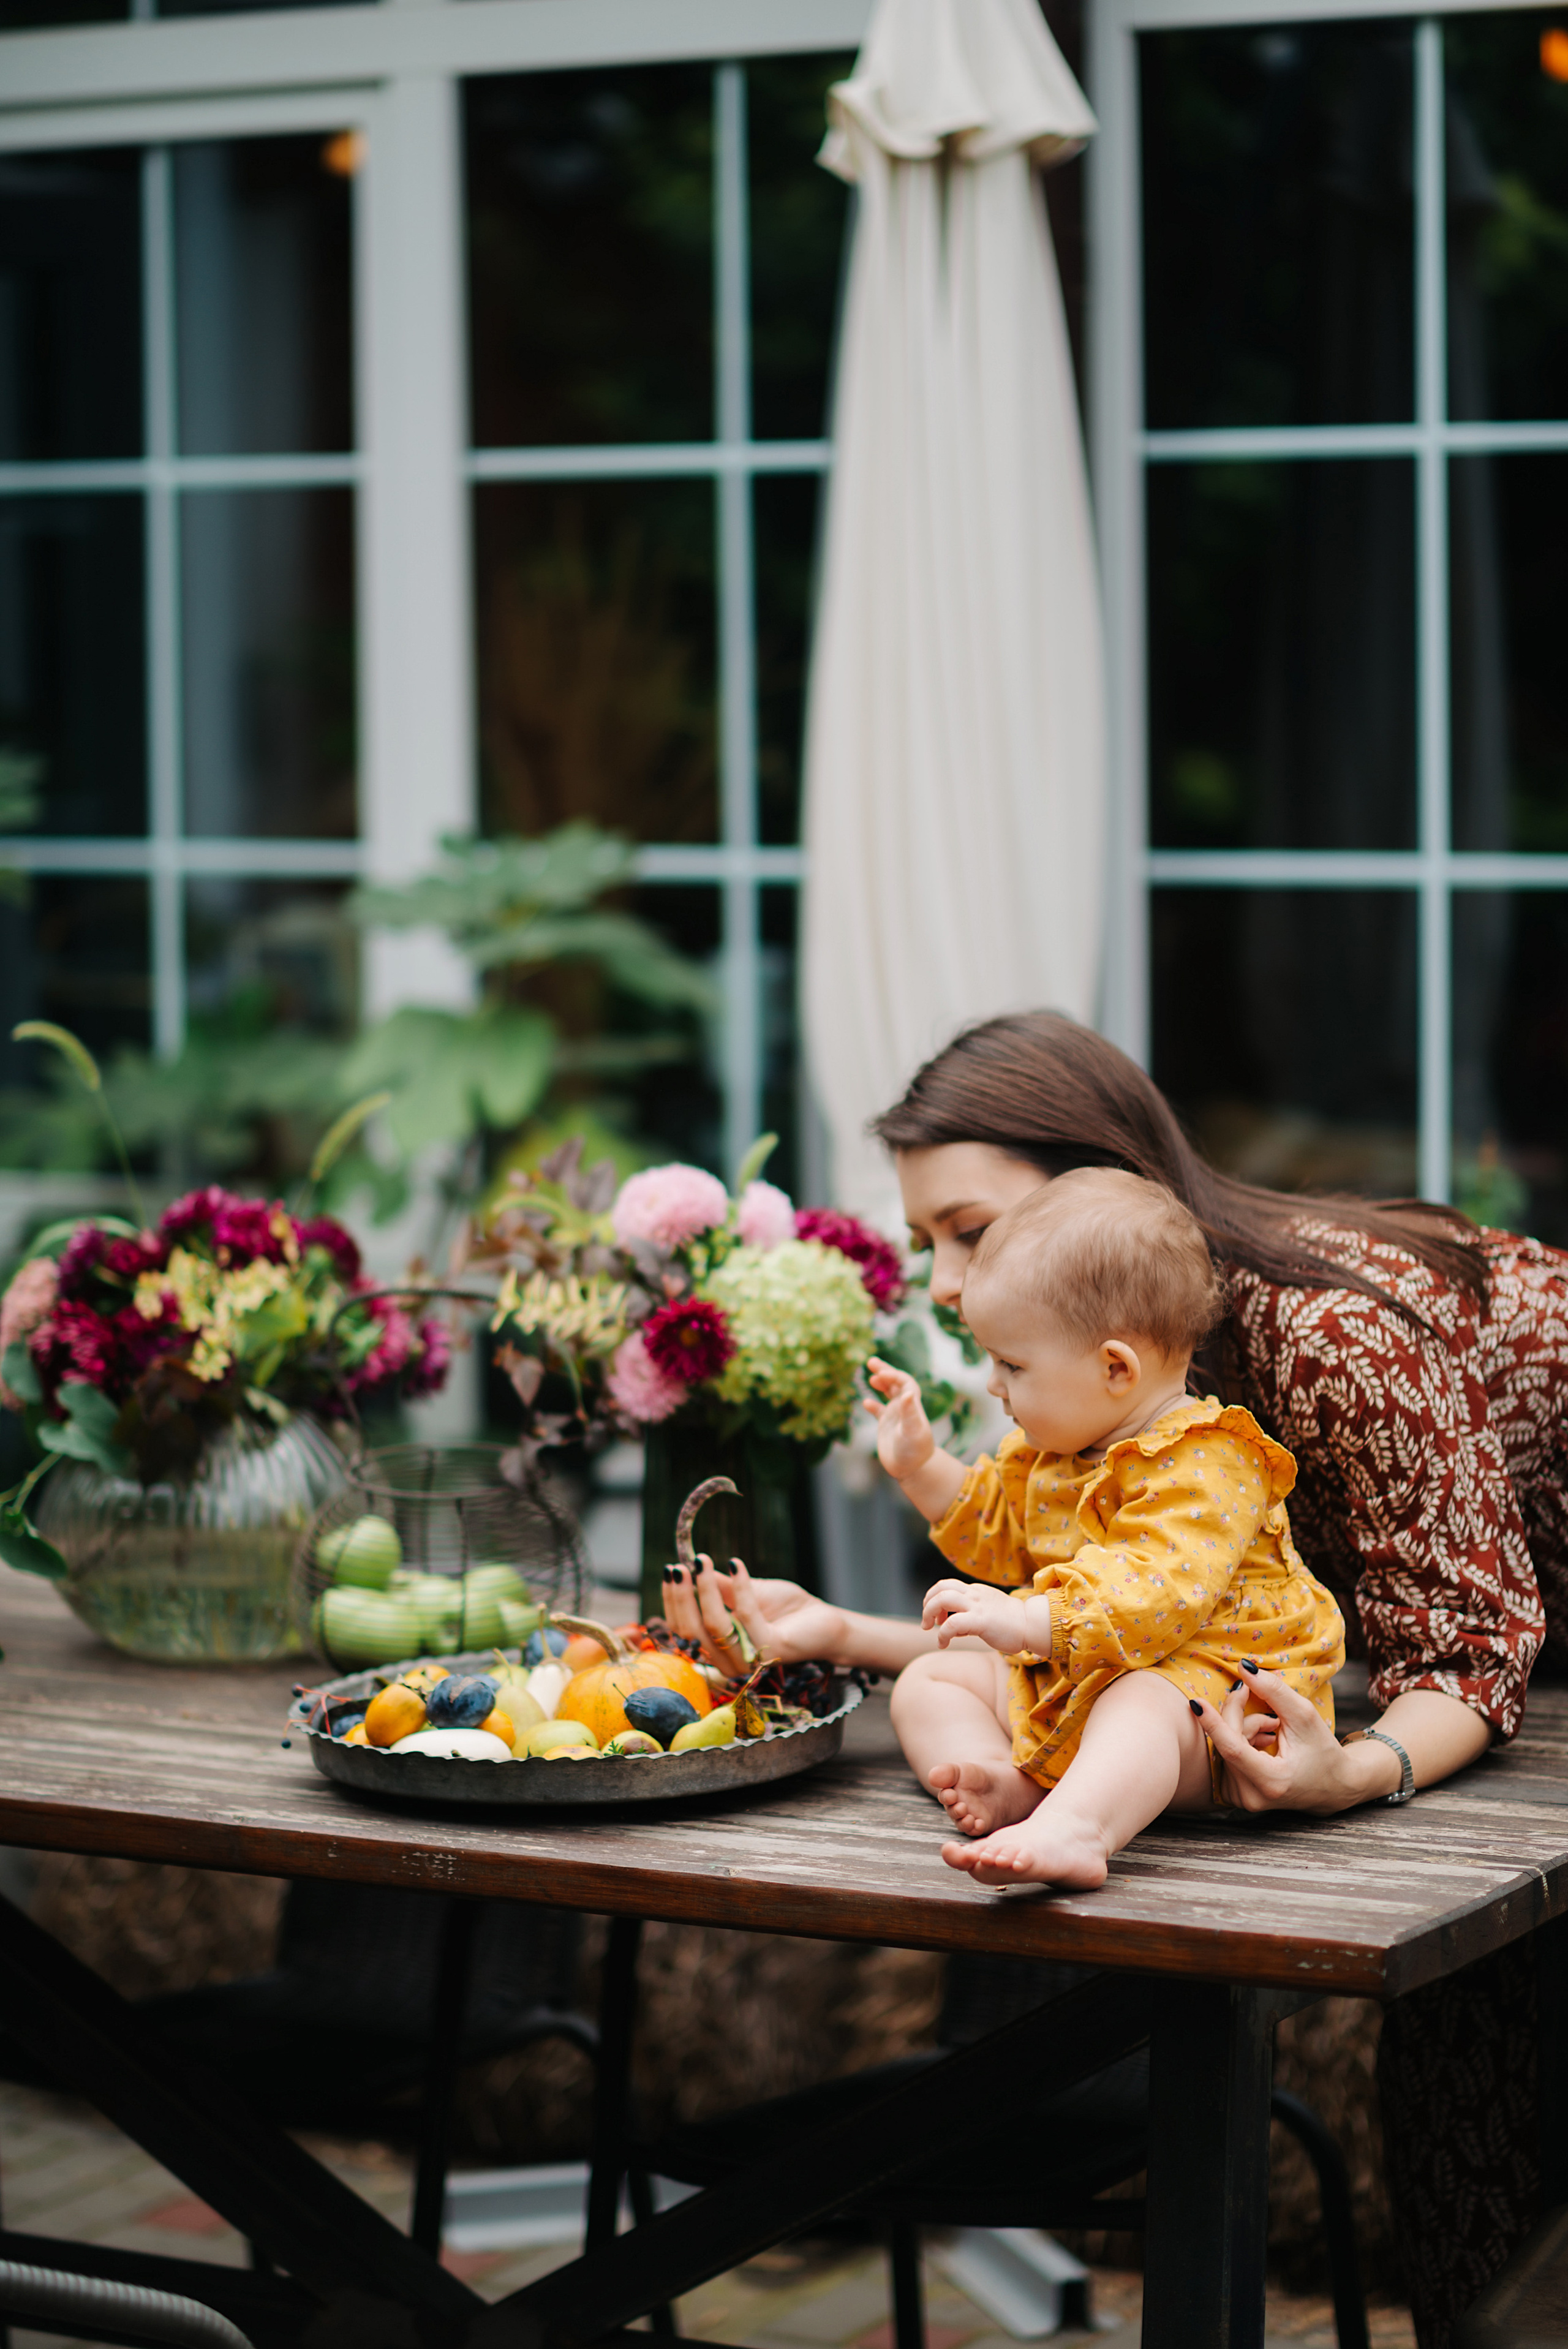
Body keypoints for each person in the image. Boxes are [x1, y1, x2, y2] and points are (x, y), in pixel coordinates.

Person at [661, 1010, 1568, 2346]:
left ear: (1102, 1187)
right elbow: (1064, 1614)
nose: (949, 1285)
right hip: (1454, 1631)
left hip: (1508, 1630)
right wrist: (841, 1630)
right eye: (927, 1245)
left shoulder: (1322, 1334)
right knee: (1461, 2117)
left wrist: (1352, 1775)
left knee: (1492, 2072)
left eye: (970, 1231)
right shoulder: (1092, 1399)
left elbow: (1469, 1649)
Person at [865, 1169, 1345, 1890]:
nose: (994, 1384)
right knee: (930, 1679)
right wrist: (920, 1466)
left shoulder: (1207, 1460)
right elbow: (998, 1528)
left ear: (1115, 1367)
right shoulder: (1056, 1451)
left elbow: (1155, 1593)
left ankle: (1079, 1828)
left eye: (1011, 1363)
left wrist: (1028, 1621)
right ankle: (1015, 1783)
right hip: (1079, 1673)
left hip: (1210, 1706)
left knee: (1141, 1699)